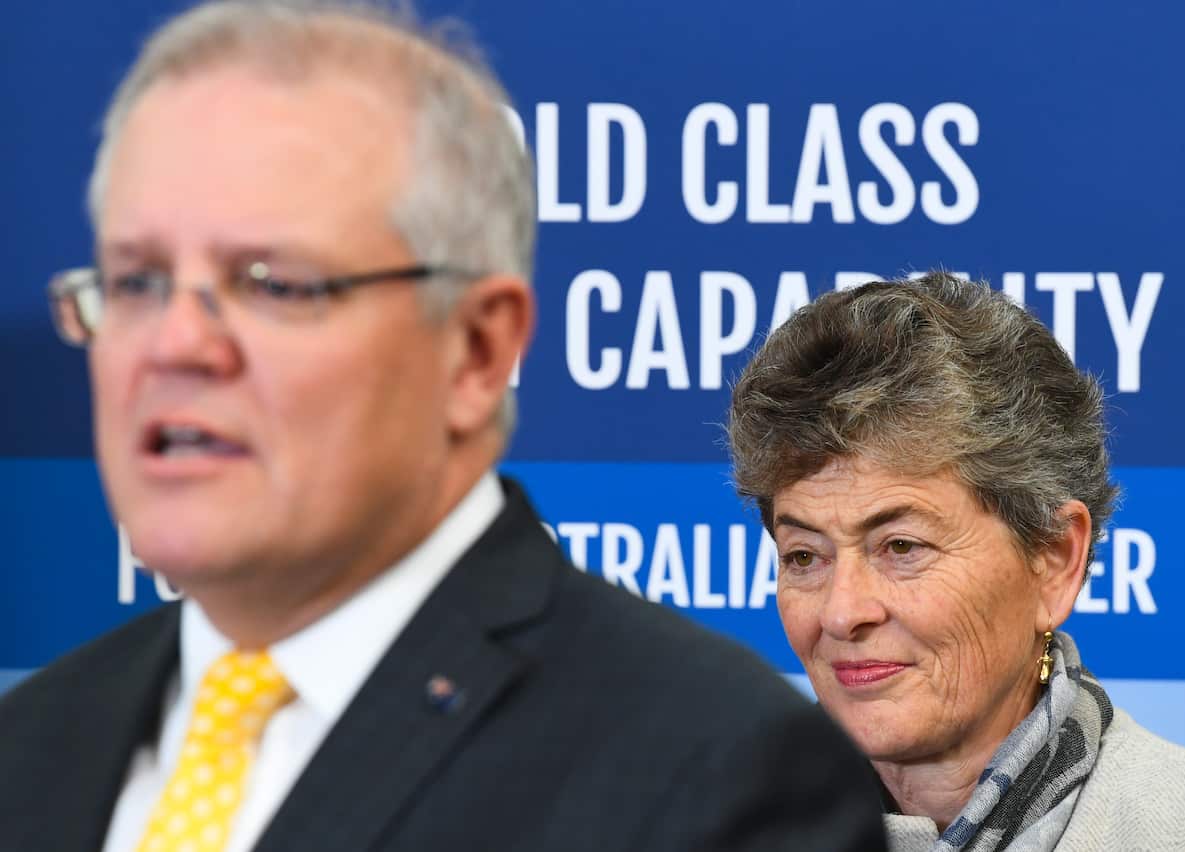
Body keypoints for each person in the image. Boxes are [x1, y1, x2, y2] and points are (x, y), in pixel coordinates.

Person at [0, 3, 887, 851]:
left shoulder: (713, 776)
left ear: (473, 350)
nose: (175, 344)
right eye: (137, 281)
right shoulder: (32, 744)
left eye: (271, 283)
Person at [726, 272, 1185, 851]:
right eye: (805, 556)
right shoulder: (699, 828)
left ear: (1055, 559)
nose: (841, 614)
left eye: (901, 547)